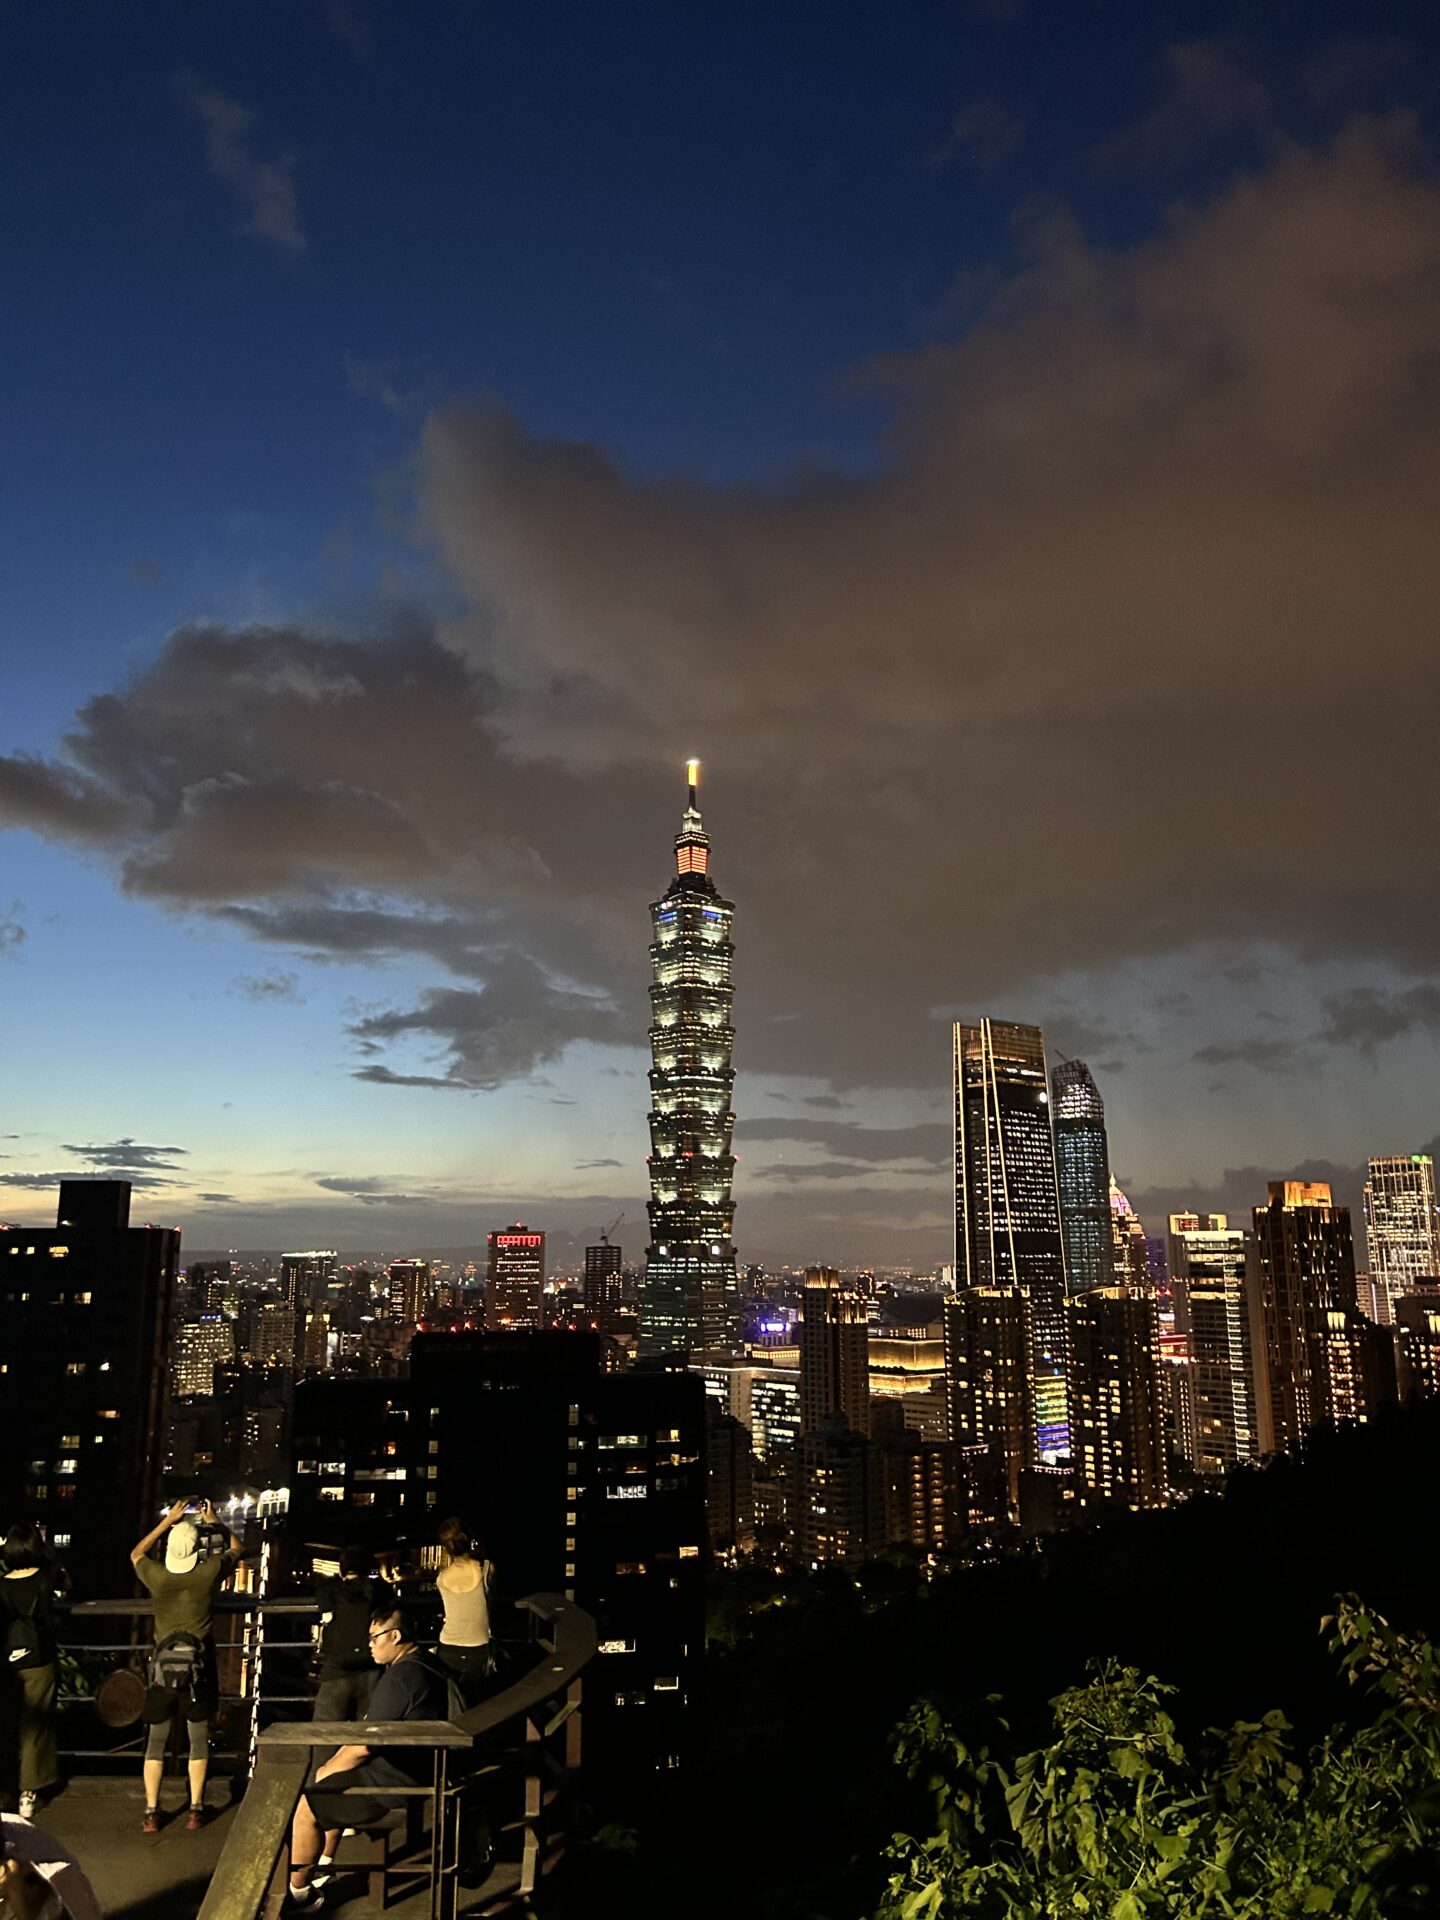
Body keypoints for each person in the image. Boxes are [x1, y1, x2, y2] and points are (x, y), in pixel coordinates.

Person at [287, 1604, 446, 1907]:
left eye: (375, 1638)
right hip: (425, 1765)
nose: (369, 1645)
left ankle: (299, 1896)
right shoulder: (427, 1663)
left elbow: (363, 1747)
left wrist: (326, 1770)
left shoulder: (400, 1679)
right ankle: (322, 1865)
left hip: (393, 1778)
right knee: (329, 1789)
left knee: (307, 1808)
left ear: (395, 1636)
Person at [129, 1499, 243, 1835]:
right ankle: (195, 1809)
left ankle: (152, 1811)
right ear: (196, 1549)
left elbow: (137, 1553)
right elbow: (238, 1547)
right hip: (200, 1664)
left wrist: (167, 1522)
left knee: (156, 1740)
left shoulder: (158, 1577)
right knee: (198, 1737)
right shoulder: (206, 1574)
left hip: (162, 1666)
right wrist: (216, 1521)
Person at [0, 1525, 68, 1823]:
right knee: (36, 1728)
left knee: (6, 1727)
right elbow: (65, 1580)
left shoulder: (0, 1584)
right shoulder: (44, 1578)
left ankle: (6, 1791)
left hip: (6, 1663)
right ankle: (29, 1792)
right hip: (39, 1659)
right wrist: (46, 1550)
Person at [312, 1549, 394, 1722]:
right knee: (368, 1728)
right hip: (370, 1665)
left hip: (337, 1667)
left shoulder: (331, 1591)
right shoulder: (381, 1591)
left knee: (325, 1732)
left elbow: (322, 1597)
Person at [434, 1520, 495, 1706]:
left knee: (454, 1704)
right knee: (481, 1704)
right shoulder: (486, 1569)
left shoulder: (442, 1578)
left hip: (448, 1647)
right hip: (479, 1646)